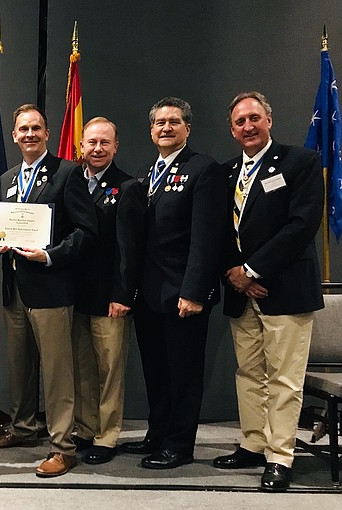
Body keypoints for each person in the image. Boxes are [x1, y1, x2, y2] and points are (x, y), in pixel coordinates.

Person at [212, 92, 324, 492]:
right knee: (249, 373)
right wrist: (235, 274)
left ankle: (280, 456)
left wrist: (253, 270)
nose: (248, 127)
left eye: (254, 118)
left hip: (286, 290)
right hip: (242, 292)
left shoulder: (301, 162)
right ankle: (254, 443)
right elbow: (219, 232)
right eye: (240, 121)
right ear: (232, 129)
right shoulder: (227, 173)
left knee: (284, 379)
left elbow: (301, 225)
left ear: (269, 120)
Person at [0, 104, 97, 478]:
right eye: (23, 129)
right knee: (20, 368)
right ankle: (23, 428)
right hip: (15, 288)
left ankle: (63, 447)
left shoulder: (67, 173)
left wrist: (49, 256)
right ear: (14, 136)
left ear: (47, 134)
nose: (29, 134)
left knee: (58, 373)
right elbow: (5, 227)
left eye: (36, 128)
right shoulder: (6, 178)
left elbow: (85, 233)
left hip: (51, 287)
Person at [120, 97, 226, 469]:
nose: (166, 128)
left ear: (188, 128)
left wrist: (194, 291)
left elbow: (206, 238)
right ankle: (158, 433)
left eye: (174, 122)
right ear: (151, 131)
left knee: (183, 373)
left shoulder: (203, 170)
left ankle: (179, 444)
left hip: (184, 294)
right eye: (159, 123)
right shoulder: (149, 172)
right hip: (151, 294)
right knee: (157, 370)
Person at [71, 117, 145, 465]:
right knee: (83, 369)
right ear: (81, 146)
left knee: (109, 370)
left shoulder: (127, 187)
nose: (97, 149)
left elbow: (128, 248)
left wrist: (123, 294)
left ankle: (107, 435)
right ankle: (85, 429)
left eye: (104, 143)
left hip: (109, 296)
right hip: (75, 294)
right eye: (91, 143)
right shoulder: (71, 181)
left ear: (116, 147)